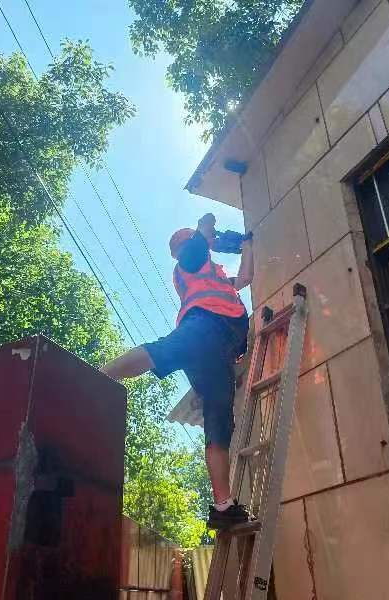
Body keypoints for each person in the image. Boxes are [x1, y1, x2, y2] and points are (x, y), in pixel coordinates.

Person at [101, 213, 254, 530]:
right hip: (205, 327)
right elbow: (200, 238)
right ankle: (99, 376)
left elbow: (245, 277)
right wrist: (208, 228)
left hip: (219, 351)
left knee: (219, 422)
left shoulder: (212, 274)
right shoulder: (189, 262)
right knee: (163, 351)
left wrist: (248, 245)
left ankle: (223, 507)